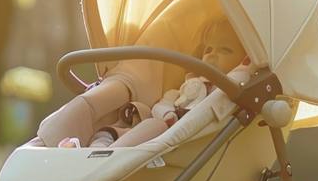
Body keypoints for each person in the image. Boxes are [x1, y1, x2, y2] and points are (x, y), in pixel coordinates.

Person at [56, 18, 250, 149]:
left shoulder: (228, 90)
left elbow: (244, 73)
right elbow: (164, 103)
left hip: (183, 140)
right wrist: (166, 113)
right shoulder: (188, 84)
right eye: (208, 49)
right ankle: (92, 150)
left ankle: (102, 157)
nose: (213, 54)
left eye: (225, 50)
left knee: (153, 127)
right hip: (161, 127)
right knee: (126, 129)